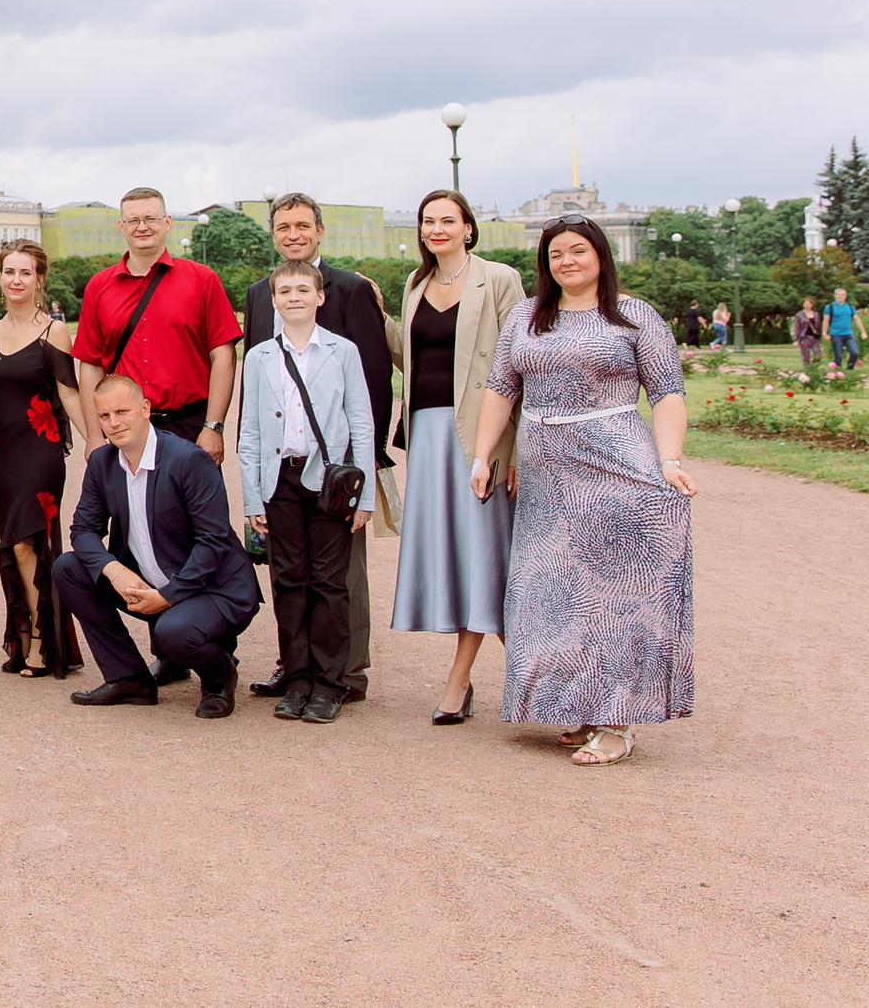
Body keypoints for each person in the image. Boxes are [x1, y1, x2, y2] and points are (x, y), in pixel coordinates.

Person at [472, 217, 695, 766]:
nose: (566, 261)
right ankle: (582, 705)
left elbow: (666, 393)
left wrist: (668, 460)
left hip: (617, 470)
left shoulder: (634, 315)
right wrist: (483, 456)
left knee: (618, 597)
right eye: (555, 254)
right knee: (554, 596)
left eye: (577, 251)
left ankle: (619, 721)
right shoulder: (525, 317)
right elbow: (501, 390)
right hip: (549, 482)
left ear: (600, 256)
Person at [233, 192, 393, 702]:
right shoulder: (261, 293)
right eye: (284, 226)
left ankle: (343, 675)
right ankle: (295, 669)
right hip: (280, 467)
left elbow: (372, 382)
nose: (293, 234)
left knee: (339, 578)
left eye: (303, 225)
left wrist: (363, 471)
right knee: (291, 575)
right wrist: (253, 481)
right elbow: (256, 398)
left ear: (320, 231)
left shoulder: (350, 289)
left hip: (334, 467)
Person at [387, 189, 527, 725]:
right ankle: (539, 678)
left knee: (486, 555)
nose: (436, 228)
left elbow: (521, 365)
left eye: (448, 220)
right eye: (428, 221)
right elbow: (411, 357)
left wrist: (513, 448)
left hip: (481, 435)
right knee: (461, 555)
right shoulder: (416, 283)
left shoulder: (499, 279)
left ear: (469, 228)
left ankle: (465, 678)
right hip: (427, 434)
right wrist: (374, 313)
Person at [52, 374, 260, 718]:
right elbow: (82, 531)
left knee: (172, 634)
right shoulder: (102, 464)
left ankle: (219, 676)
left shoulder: (188, 460)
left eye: (122, 411)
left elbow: (214, 543)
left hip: (214, 588)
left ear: (145, 408)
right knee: (69, 568)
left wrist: (169, 595)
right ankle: (129, 679)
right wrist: (113, 571)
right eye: (104, 417)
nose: (114, 423)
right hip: (149, 582)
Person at [0, 241, 85, 681]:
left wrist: (96, 443)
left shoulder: (53, 331)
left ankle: (43, 637)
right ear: (0, 278)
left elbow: (68, 392)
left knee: (29, 540)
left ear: (40, 280)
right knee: (7, 543)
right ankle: (22, 634)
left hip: (40, 449)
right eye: (9, 272)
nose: (16, 280)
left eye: (25, 272)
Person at [72, 188, 239, 456]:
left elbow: (224, 356)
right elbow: (91, 365)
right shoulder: (99, 287)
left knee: (196, 499)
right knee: (126, 500)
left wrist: (213, 427)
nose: (142, 227)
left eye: (150, 218)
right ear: (121, 227)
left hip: (189, 427)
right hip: (125, 428)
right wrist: (94, 436)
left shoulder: (202, 279)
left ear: (168, 223)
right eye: (133, 221)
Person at [826, 287, 866, 368]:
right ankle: (838, 373)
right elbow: (826, 321)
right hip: (836, 334)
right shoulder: (830, 307)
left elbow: (856, 319)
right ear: (835, 296)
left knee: (855, 352)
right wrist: (824, 333)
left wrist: (863, 331)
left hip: (848, 334)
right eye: (839, 295)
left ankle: (849, 370)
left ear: (846, 296)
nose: (840, 296)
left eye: (843, 295)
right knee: (838, 356)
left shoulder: (850, 306)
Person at [792, 296, 823, 370]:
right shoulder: (800, 315)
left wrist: (820, 336)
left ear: (812, 305)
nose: (807, 306)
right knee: (806, 356)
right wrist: (796, 339)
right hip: (805, 337)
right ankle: (807, 371)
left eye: (809, 304)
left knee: (818, 354)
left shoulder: (816, 314)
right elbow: (797, 327)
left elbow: (819, 326)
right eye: (805, 304)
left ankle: (813, 368)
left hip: (815, 337)